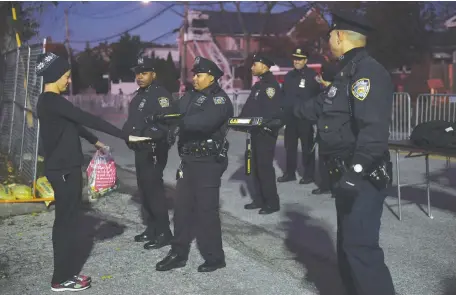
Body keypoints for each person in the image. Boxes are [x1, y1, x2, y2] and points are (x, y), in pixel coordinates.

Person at [294, 11, 396, 295]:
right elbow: (319, 107)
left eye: (329, 35)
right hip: (344, 174)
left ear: (339, 35)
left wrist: (356, 173)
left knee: (360, 248)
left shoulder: (368, 72)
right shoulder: (346, 72)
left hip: (361, 176)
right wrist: (279, 115)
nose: (328, 40)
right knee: (347, 248)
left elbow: (373, 134)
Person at [35, 52, 150, 292]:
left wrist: (94, 141)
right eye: (66, 76)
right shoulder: (53, 100)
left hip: (62, 169)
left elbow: (74, 124)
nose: (68, 81)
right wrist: (124, 135)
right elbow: (86, 117)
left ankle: (64, 275)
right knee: (66, 224)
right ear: (56, 75)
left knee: (67, 221)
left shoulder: (48, 102)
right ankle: (62, 279)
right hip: (64, 170)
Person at [155, 56, 233, 272]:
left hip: (208, 162)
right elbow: (173, 113)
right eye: (194, 74)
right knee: (181, 209)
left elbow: (203, 123)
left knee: (206, 211)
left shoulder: (219, 100)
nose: (195, 79)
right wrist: (164, 123)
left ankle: (215, 257)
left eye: (199, 75)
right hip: (188, 161)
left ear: (212, 77)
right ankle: (178, 253)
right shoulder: (190, 96)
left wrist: (177, 120)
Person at [122, 57, 174, 250]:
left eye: (144, 73)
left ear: (154, 74)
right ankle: (151, 228)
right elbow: (132, 122)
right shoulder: (139, 96)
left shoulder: (161, 95)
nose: (139, 77)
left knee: (154, 191)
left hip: (154, 149)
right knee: (144, 188)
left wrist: (149, 137)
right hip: (140, 149)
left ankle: (164, 232)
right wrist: (126, 134)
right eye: (137, 74)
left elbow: (167, 123)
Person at [239, 53, 283, 215]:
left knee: (265, 168)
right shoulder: (258, 86)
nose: (252, 67)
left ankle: (272, 202)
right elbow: (250, 108)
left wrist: (261, 123)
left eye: (254, 64)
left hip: (266, 132)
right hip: (256, 131)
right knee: (256, 166)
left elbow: (270, 112)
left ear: (264, 66)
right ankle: (259, 199)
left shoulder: (271, 86)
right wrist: (239, 121)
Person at [277, 47, 321, 185]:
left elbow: (318, 96)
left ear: (305, 60)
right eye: (295, 58)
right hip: (290, 118)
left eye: (300, 59)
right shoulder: (289, 76)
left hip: (305, 118)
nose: (296, 61)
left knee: (307, 147)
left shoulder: (312, 76)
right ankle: (289, 173)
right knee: (290, 147)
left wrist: (314, 114)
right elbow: (284, 95)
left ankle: (308, 175)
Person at [311, 63, 338, 196]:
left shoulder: (330, 92)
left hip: (332, 132)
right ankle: (326, 185)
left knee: (332, 160)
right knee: (324, 159)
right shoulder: (329, 91)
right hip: (327, 131)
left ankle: (334, 187)